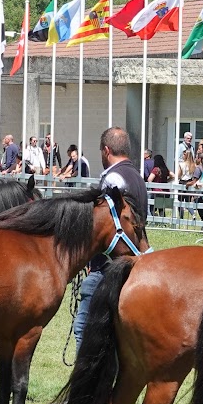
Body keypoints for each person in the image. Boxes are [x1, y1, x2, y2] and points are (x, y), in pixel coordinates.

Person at [69, 127, 148, 348]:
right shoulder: (137, 177)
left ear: (106, 150)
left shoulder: (113, 177)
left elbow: (106, 223)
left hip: (107, 265)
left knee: (84, 328)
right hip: (132, 258)